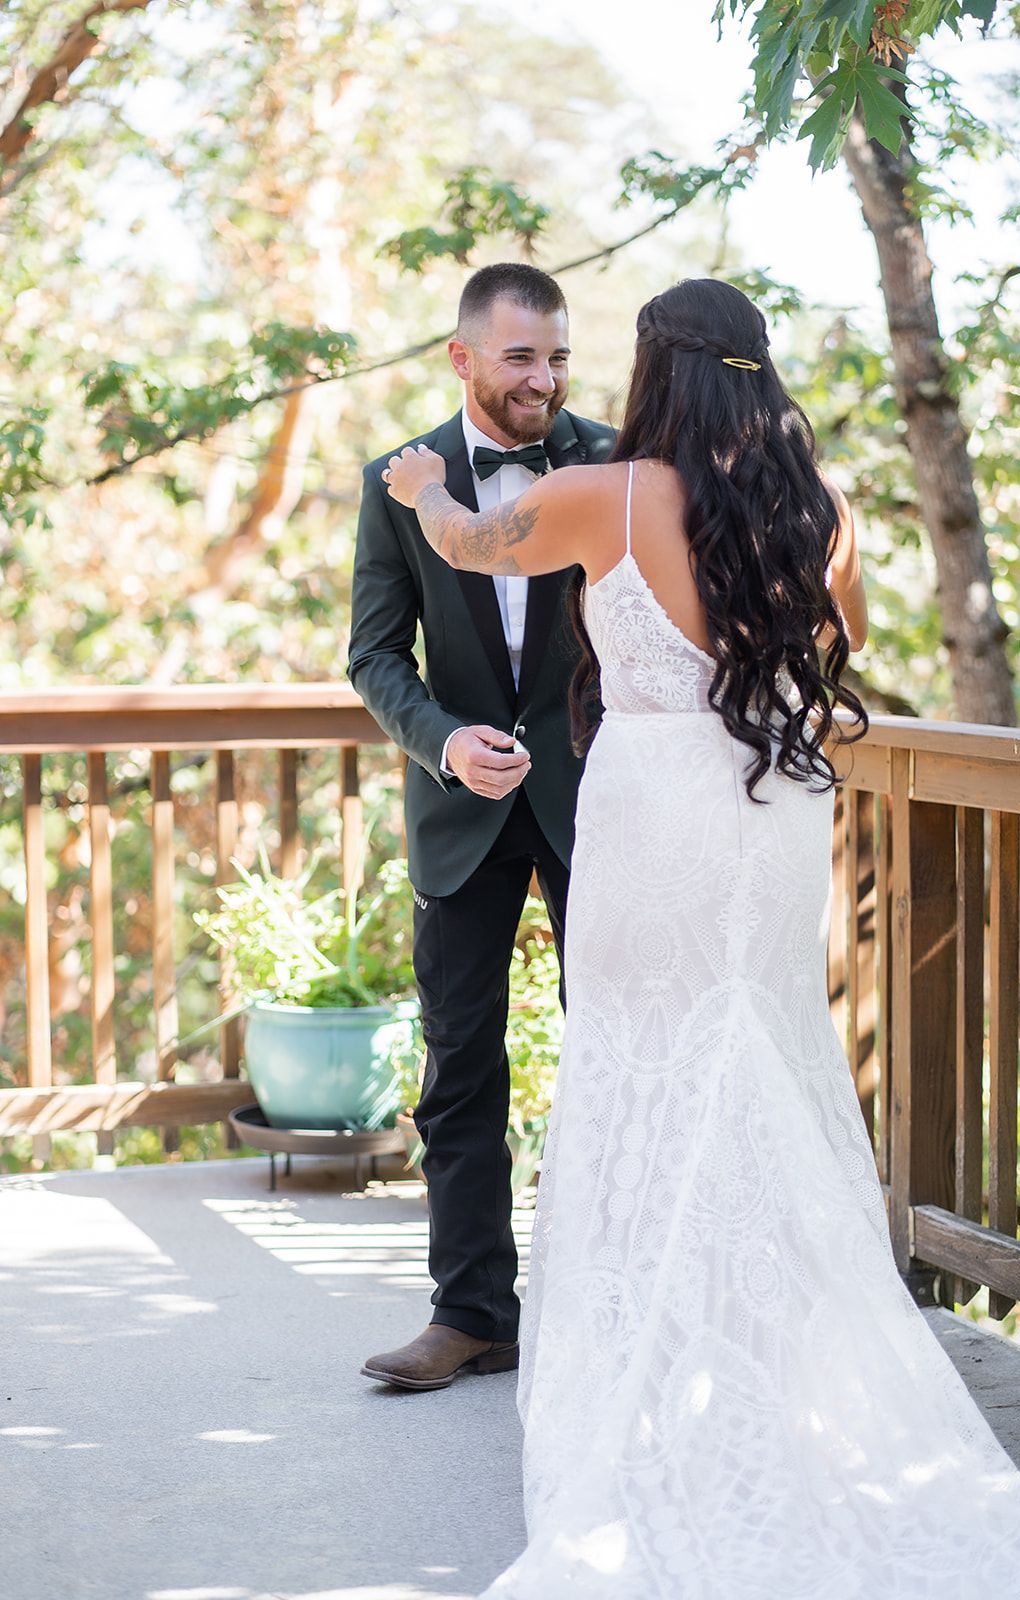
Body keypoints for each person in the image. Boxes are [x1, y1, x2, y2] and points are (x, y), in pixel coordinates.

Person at [382, 278, 1020, 1596]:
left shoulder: (605, 494)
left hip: (654, 811)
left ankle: (659, 1360)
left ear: (657, 371)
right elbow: (839, 641)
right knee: (758, 1055)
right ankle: (769, 1359)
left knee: (642, 1063)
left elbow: (471, 546)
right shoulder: (819, 509)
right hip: (769, 805)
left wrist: (420, 488)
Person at [348, 263, 614, 1391]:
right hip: (459, 809)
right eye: (519, 357)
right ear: (462, 357)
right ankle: (470, 1315)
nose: (543, 379)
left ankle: (612, 1305)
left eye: (557, 357)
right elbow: (373, 655)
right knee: (459, 1066)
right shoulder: (396, 481)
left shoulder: (616, 463)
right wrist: (443, 741)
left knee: (616, 1051)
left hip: (600, 804)